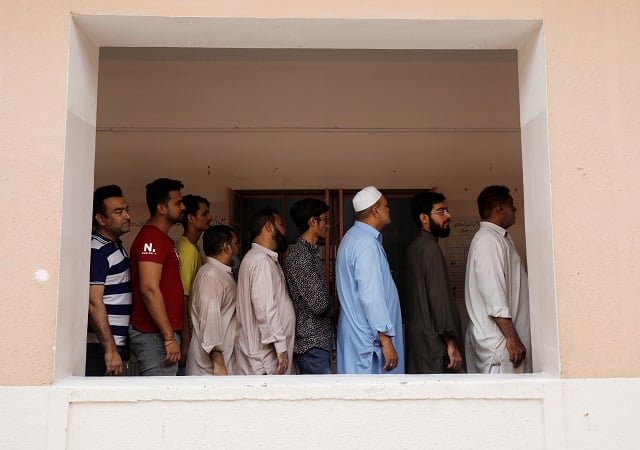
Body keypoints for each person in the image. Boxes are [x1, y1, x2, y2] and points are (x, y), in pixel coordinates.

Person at [335, 186, 404, 374]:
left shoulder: (352, 238)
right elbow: (370, 295)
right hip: (368, 345)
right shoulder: (366, 244)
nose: (389, 210)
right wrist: (386, 341)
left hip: (358, 340)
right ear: (375, 210)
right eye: (386, 206)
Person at [465, 185, 531, 373]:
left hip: (504, 348)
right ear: (499, 208)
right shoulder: (487, 241)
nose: (515, 209)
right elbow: (494, 295)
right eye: (512, 204)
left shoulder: (497, 238)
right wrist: (512, 339)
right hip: (501, 350)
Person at [129, 178, 186, 376]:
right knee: (158, 401)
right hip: (155, 335)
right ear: (161, 208)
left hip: (162, 334)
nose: (183, 207)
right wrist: (168, 337)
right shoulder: (151, 238)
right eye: (177, 203)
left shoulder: (162, 238)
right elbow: (149, 288)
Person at [404, 190, 464, 374]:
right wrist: (451, 343)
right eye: (441, 212)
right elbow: (439, 301)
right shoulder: (430, 250)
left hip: (420, 347)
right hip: (437, 349)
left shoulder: (414, 248)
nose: (448, 216)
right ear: (424, 217)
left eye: (447, 210)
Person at [235, 207, 295, 375]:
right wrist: (281, 347)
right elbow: (265, 309)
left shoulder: (260, 259)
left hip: (263, 357)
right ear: (269, 227)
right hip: (264, 359)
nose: (285, 230)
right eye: (281, 225)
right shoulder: (260, 261)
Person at [86, 185, 132, 376]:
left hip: (113, 348)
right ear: (101, 219)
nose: (127, 216)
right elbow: (93, 302)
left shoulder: (116, 247)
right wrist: (110, 350)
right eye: (118, 212)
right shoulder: (97, 250)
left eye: (127, 209)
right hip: (100, 350)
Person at [286, 198, 335, 374]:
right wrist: (334, 310)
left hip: (317, 343)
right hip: (311, 343)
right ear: (313, 221)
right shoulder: (300, 255)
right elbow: (319, 304)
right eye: (325, 220)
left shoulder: (310, 251)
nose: (328, 225)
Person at [187, 225, 240, 376]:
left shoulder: (219, 273)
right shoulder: (211, 275)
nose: (238, 248)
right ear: (226, 247)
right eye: (235, 243)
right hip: (209, 372)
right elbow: (209, 319)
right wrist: (218, 363)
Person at [175, 194, 213, 373]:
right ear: (190, 218)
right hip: (189, 333)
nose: (210, 217)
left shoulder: (195, 248)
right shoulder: (188, 250)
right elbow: (182, 296)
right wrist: (186, 337)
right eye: (205, 213)